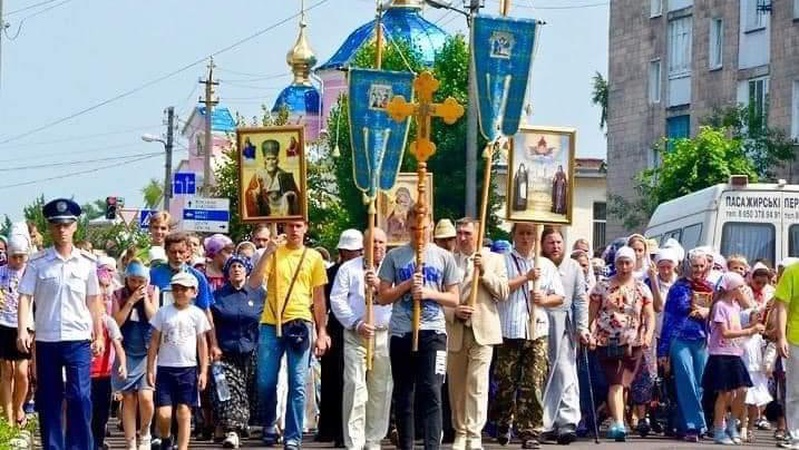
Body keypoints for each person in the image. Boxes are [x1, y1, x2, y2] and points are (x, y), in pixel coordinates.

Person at [16, 198, 105, 450]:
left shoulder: (87, 263)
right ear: (50, 228)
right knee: (50, 398)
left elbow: (93, 301)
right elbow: (25, 296)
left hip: (78, 338)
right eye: (56, 225)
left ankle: (80, 446)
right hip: (47, 338)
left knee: (80, 397)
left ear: (75, 226)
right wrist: (23, 328)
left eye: (66, 225)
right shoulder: (37, 262)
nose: (62, 230)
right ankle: (54, 447)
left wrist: (98, 334)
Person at [377, 206, 461, 450]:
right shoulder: (395, 257)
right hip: (402, 332)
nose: (418, 234)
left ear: (431, 226)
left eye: (423, 229)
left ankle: (432, 446)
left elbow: (454, 299)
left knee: (432, 390)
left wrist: (429, 292)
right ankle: (406, 445)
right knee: (404, 394)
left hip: (433, 331)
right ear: (407, 227)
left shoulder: (444, 258)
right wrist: (405, 285)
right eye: (413, 228)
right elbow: (383, 296)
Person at [255, 220, 331, 449]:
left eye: (298, 225)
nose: (294, 230)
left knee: (298, 383)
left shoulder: (313, 257)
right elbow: (254, 282)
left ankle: (293, 437)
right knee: (265, 381)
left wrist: (322, 331)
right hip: (271, 322)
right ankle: (269, 422)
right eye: (289, 225)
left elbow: (318, 299)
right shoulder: (275, 252)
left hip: (300, 322)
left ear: (306, 227)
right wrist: (268, 252)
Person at [492, 223, 564, 449]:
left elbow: (559, 296)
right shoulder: (502, 261)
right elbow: (499, 289)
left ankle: (530, 429)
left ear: (536, 237)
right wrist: (525, 277)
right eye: (521, 233)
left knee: (533, 381)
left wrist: (544, 299)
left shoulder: (545, 265)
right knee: (506, 381)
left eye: (530, 233)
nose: (525, 238)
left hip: (537, 330)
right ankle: (504, 419)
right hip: (509, 330)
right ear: (513, 235)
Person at [446, 218, 509, 450]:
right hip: (456, 330)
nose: (462, 238)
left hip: (483, 330)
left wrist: (484, 273)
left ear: (478, 234)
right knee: (457, 386)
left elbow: (503, 292)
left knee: (477, 383)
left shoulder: (494, 259)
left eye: (467, 233)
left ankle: (474, 433)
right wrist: (453, 311)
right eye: (459, 233)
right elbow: (440, 297)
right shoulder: (449, 260)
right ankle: (460, 431)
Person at [330, 228, 393, 450]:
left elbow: (398, 298)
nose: (377, 246)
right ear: (363, 245)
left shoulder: (392, 267)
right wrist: (355, 323)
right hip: (357, 335)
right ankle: (354, 441)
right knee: (356, 386)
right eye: (372, 242)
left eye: (381, 242)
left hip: (384, 333)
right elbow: (337, 300)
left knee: (381, 388)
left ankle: (373, 438)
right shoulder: (349, 269)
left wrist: (379, 285)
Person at [587, 246, 655, 442]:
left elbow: (649, 316)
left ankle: (612, 416)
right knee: (616, 382)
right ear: (614, 263)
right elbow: (591, 314)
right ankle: (618, 423)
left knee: (624, 384)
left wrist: (649, 335)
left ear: (634, 264)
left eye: (628, 263)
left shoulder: (642, 288)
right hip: (606, 341)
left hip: (633, 343)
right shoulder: (602, 286)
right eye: (620, 262)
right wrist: (588, 333)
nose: (624, 267)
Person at [147, 272, 211, 450]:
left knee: (184, 411)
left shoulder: (197, 314)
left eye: (184, 289)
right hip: (165, 368)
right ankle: (166, 438)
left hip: (188, 369)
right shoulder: (163, 312)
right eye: (176, 289)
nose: (180, 293)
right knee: (163, 413)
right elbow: (154, 341)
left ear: (194, 292)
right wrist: (150, 369)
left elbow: (202, 344)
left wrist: (203, 371)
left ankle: (182, 446)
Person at [210, 255, 266, 449]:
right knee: (229, 391)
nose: (236, 269)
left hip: (252, 351)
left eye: (240, 266)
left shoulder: (258, 295)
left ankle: (243, 427)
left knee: (248, 392)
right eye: (233, 266)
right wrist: (213, 344)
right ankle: (232, 432)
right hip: (225, 352)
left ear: (247, 270)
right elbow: (210, 324)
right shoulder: (217, 296)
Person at [658, 248, 713, 442]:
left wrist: (708, 313)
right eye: (694, 266)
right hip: (679, 337)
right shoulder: (678, 287)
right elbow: (668, 318)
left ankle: (683, 424)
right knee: (686, 380)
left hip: (701, 339)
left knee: (699, 383)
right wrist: (663, 350)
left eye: (701, 266)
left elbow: (717, 316)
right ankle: (695, 425)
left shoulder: (710, 287)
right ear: (687, 266)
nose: (697, 269)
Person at [540, 228, 589, 446]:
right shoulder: (538, 264)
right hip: (540, 321)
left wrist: (582, 327)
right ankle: (543, 422)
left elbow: (580, 299)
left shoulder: (574, 267)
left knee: (565, 372)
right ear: (543, 244)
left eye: (558, 242)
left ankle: (566, 421)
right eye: (550, 242)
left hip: (564, 324)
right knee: (542, 374)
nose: (555, 246)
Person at [703, 272, 760, 445]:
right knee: (724, 393)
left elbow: (750, 311)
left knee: (742, 390)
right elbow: (726, 333)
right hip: (721, 354)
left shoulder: (735, 306)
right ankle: (719, 429)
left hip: (735, 354)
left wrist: (753, 325)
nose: (742, 290)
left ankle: (732, 424)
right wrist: (749, 331)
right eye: (739, 287)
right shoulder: (720, 306)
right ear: (731, 289)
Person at [318, 229, 363, 447]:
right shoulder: (331, 273)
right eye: (348, 251)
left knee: (356, 382)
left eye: (355, 251)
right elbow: (323, 303)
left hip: (360, 328)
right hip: (335, 328)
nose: (351, 255)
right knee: (333, 379)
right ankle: (331, 428)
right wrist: (322, 331)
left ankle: (352, 429)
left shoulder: (364, 271)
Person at [112, 260, 159, 450]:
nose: (137, 285)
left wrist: (145, 298)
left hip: (147, 352)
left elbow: (154, 318)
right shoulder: (118, 294)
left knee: (146, 396)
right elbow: (116, 323)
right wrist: (130, 302)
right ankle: (130, 442)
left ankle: (145, 432)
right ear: (126, 279)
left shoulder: (153, 291)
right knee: (128, 398)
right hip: (126, 351)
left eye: (141, 281)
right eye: (133, 280)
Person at [0, 236, 33, 428]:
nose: (18, 261)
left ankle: (19, 406)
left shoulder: (29, 273)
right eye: (14, 257)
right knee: (6, 371)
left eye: (21, 257)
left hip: (23, 326)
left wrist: (32, 329)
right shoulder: (1, 272)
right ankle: (8, 418)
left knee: (22, 372)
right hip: (3, 323)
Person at [774, 258, 799, 449]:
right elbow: (781, 307)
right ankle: (795, 436)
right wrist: (781, 337)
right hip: (796, 338)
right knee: (795, 391)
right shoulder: (792, 271)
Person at [244, 139, 301, 218]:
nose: (271, 162)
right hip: (265, 214)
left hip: (282, 214)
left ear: (277, 159)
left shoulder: (284, 175)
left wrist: (290, 195)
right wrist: (256, 192)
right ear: (264, 159)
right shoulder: (258, 175)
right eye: (268, 159)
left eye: (273, 159)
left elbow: (296, 195)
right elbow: (250, 194)